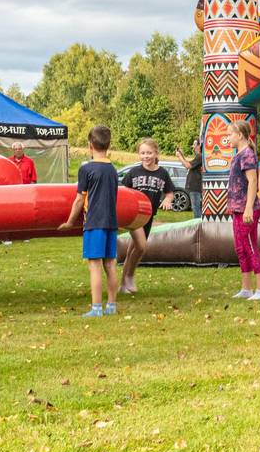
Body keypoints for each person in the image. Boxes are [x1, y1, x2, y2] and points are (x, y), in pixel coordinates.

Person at [59, 125, 119, 317]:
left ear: (89, 146)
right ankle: (111, 305)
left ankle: (96, 308)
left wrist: (69, 222)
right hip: (111, 222)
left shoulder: (86, 169)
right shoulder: (113, 170)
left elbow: (79, 199)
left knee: (94, 265)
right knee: (110, 264)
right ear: (108, 145)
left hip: (94, 222)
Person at [119, 138, 176, 294]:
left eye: (149, 153)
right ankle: (130, 276)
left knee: (133, 249)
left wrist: (167, 200)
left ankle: (124, 284)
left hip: (149, 216)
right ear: (139, 154)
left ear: (156, 153)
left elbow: (170, 193)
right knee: (141, 246)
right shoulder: (134, 172)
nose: (146, 156)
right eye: (143, 153)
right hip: (135, 216)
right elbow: (123, 191)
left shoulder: (162, 173)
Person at [227, 119, 260, 300]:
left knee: (250, 247)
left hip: (247, 210)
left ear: (240, 135)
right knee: (240, 248)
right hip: (237, 209)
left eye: (230, 134)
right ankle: (246, 288)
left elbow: (252, 181)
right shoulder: (238, 154)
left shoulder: (247, 155)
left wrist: (248, 208)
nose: (228, 138)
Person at [175, 139, 204, 218]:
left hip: (195, 187)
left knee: (196, 208)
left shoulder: (200, 156)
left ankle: (198, 226)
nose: (193, 147)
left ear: (199, 145)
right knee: (195, 207)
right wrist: (182, 155)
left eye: (194, 145)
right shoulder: (198, 157)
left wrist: (179, 156)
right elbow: (188, 164)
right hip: (194, 187)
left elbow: (188, 166)